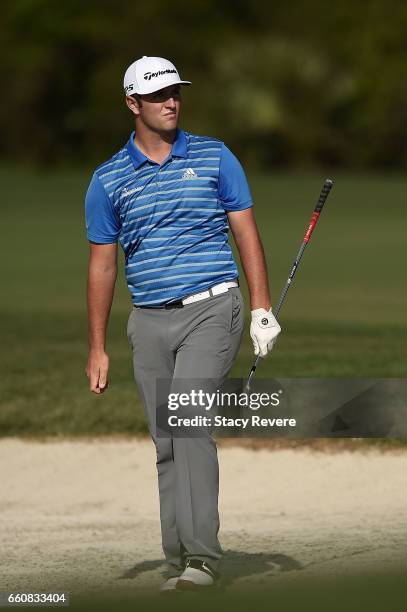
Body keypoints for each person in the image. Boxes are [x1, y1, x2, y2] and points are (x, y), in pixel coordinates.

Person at [84, 56, 281, 592]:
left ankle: (202, 558)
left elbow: (246, 232)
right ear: (133, 104)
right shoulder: (108, 179)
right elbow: (103, 264)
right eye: (157, 94)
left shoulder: (216, 157)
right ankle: (177, 556)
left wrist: (261, 307)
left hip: (213, 308)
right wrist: (97, 346)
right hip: (147, 320)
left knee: (190, 426)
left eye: (176, 92)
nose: (171, 101)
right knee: (166, 438)